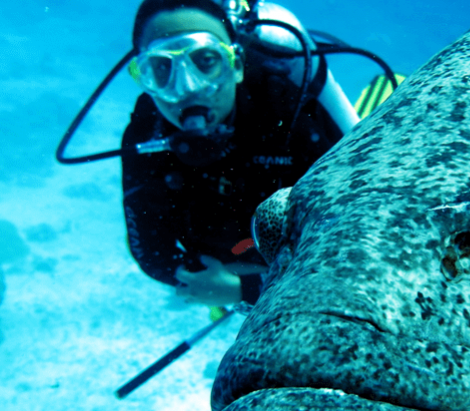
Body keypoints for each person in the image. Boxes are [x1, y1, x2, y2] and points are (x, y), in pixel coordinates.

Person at [121, 0, 359, 307]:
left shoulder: (285, 109)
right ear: (146, 79)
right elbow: (151, 252)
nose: (188, 87)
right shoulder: (145, 135)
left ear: (234, 65)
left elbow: (347, 236)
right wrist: (203, 281)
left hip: (286, 261)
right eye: (163, 67)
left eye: (206, 60)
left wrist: (244, 288)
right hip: (225, 266)